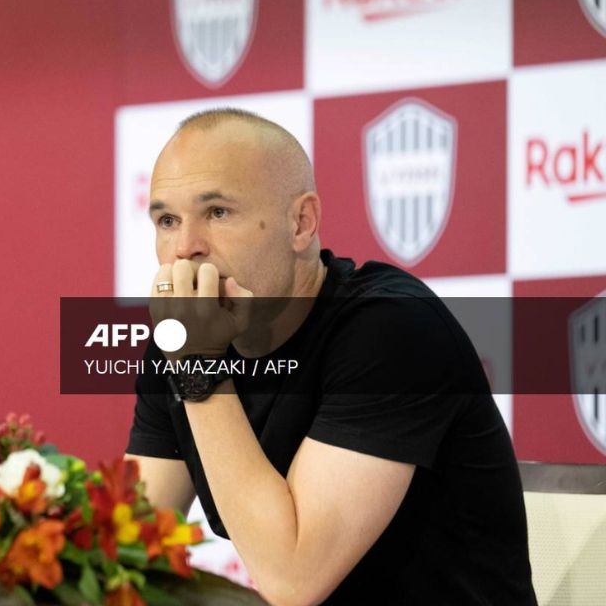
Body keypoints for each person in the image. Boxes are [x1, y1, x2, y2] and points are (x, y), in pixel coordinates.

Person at [125, 108, 534, 605]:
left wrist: (197, 365)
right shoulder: (187, 341)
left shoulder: (393, 328)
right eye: (167, 220)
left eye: (217, 213)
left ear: (301, 223)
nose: (185, 248)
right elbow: (124, 547)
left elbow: (294, 579)